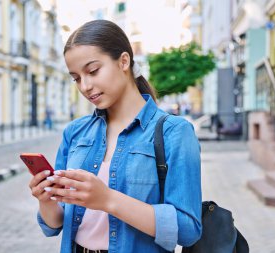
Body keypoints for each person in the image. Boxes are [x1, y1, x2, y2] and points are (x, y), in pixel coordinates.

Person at [29, 20, 202, 253]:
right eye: (76, 78)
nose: (85, 86)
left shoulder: (174, 132)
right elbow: (55, 224)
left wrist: (107, 199)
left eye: (92, 71)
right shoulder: (75, 132)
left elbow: (188, 230)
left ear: (123, 61)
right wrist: (45, 199)